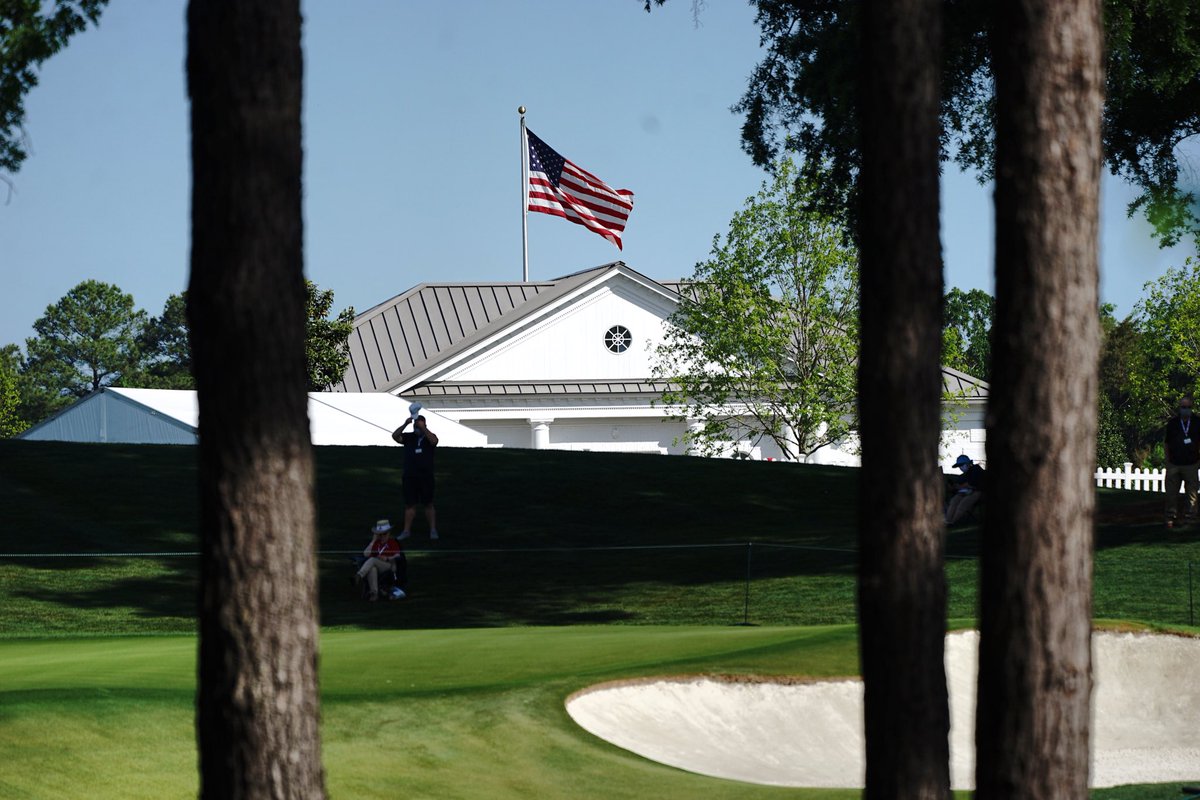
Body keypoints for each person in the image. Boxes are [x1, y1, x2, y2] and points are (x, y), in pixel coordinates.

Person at [392, 413, 440, 540]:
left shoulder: (429, 437)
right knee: (410, 504)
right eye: (416, 425)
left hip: (426, 476)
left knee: (428, 503)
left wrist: (423, 428)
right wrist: (405, 424)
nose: (417, 427)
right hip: (410, 476)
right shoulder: (409, 437)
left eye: (419, 424)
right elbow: (395, 436)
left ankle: (433, 530)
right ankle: (406, 531)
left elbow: (434, 441)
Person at [1163, 395, 1200, 528]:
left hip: (1191, 464)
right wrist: (1167, 461)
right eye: (1183, 407)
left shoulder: (1197, 422)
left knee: (1192, 493)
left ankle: (1190, 518)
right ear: (1180, 408)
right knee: (1171, 493)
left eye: (1188, 407)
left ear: (1192, 408)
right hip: (1174, 464)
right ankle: (1170, 518)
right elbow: (1166, 443)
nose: (1186, 410)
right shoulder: (1173, 423)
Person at [355, 519, 406, 601]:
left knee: (372, 560)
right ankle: (374, 594)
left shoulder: (392, 542)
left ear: (389, 533)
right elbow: (366, 554)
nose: (382, 536)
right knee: (372, 568)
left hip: (389, 565)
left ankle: (359, 575)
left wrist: (387, 558)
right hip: (377, 565)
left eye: (384, 534)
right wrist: (373, 540)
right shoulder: (377, 543)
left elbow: (398, 555)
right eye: (380, 534)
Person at [945, 454, 986, 526]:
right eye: (959, 466)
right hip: (967, 492)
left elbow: (972, 483)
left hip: (980, 492)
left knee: (963, 503)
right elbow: (958, 483)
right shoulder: (965, 474)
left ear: (968, 464)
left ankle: (952, 522)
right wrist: (954, 486)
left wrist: (960, 487)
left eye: (961, 465)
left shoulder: (976, 469)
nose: (960, 468)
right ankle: (948, 521)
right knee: (954, 500)